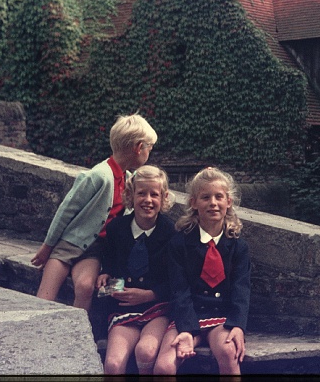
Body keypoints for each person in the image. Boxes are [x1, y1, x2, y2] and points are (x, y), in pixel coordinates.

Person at [30, 113, 157, 311]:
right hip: (68, 244)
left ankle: (76, 334)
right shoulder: (99, 176)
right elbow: (66, 210)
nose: (150, 151)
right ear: (139, 147)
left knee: (85, 286)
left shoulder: (129, 179)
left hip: (95, 250)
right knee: (44, 298)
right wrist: (48, 247)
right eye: (149, 147)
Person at [153, 167, 251, 376]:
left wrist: (238, 325)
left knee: (228, 352)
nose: (213, 203)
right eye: (205, 197)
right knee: (164, 367)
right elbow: (179, 290)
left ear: (229, 202)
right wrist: (187, 331)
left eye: (219, 197)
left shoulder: (238, 246)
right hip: (188, 314)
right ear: (193, 203)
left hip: (221, 317)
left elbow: (241, 289)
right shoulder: (179, 243)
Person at [96, 165, 176, 375]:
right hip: (123, 309)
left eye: (154, 194)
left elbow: (178, 281)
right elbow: (111, 261)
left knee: (146, 351)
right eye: (141, 193)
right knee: (113, 365)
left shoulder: (172, 234)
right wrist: (106, 273)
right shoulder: (116, 229)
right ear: (131, 195)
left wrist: (151, 294)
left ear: (164, 198)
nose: (147, 200)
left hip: (156, 308)